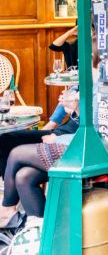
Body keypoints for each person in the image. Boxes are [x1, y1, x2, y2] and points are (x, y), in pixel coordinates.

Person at [0, 88, 82, 222]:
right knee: (21, 172)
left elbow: (92, 130)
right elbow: (69, 106)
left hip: (70, 142)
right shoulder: (80, 84)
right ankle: (37, 228)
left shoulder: (98, 89)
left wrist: (57, 138)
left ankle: (8, 208)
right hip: (63, 134)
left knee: (15, 153)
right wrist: (52, 124)